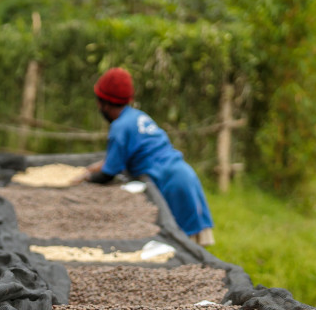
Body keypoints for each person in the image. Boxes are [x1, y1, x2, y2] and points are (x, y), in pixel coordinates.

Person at [78, 66, 215, 246]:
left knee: (183, 248)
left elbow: (107, 174)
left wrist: (85, 178)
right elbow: (125, 157)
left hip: (172, 185)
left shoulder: (119, 127)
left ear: (104, 103)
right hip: (184, 175)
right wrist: (97, 165)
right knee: (189, 245)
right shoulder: (137, 116)